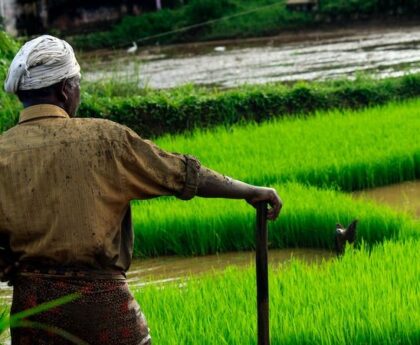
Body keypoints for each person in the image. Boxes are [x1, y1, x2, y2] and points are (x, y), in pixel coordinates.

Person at [0, 35, 282, 345]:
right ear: (66, 90)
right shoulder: (104, 139)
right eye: (77, 84)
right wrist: (249, 191)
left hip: (32, 313)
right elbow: (181, 173)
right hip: (102, 306)